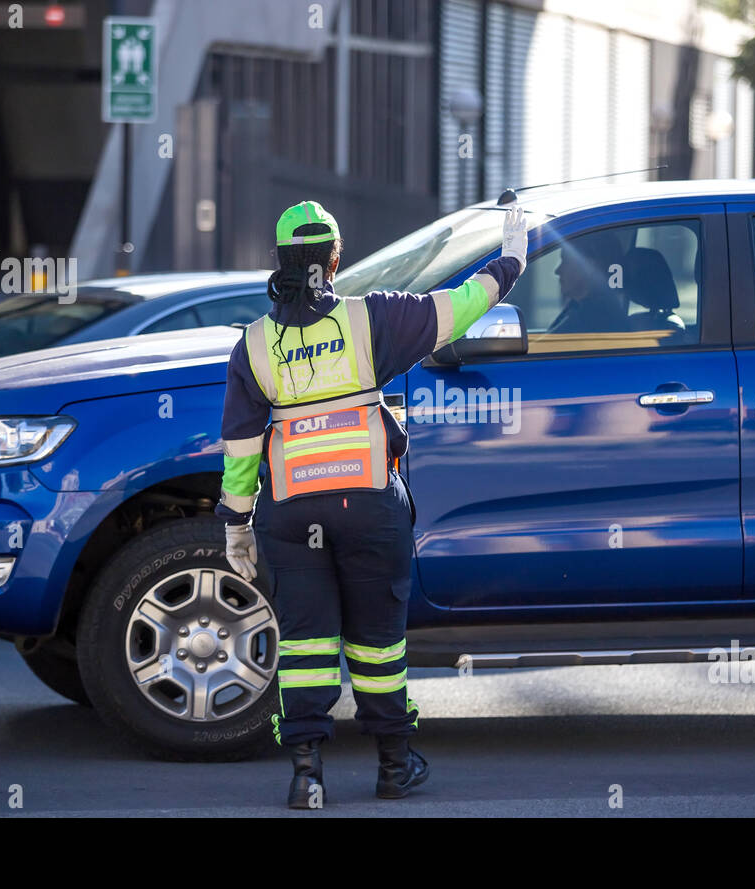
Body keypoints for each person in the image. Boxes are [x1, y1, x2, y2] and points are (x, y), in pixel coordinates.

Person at [217, 200, 527, 808]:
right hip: (367, 506)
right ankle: (393, 764)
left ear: (279, 262)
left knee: (306, 643)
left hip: (291, 514)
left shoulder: (253, 345)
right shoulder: (371, 319)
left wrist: (235, 523)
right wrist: (510, 260)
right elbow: (461, 306)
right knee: (377, 642)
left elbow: (242, 445)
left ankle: (307, 774)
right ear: (335, 259)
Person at [546, 230, 627, 333]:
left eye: (565, 260)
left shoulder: (595, 318)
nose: (557, 271)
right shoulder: (578, 308)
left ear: (588, 266)